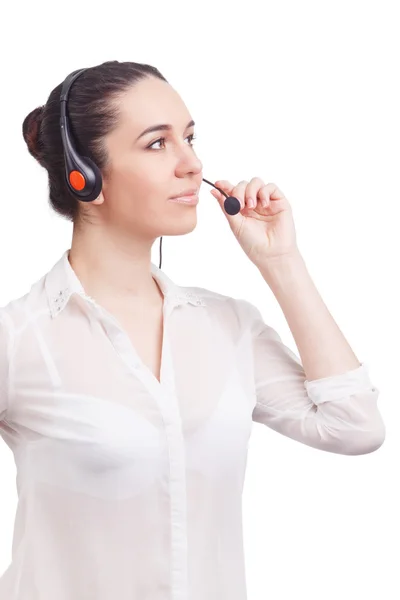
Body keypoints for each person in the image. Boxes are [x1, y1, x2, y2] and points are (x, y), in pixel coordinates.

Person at [0, 60, 385, 600]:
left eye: (190, 138)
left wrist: (282, 262)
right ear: (84, 176)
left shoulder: (228, 326)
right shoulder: (19, 339)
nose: (192, 163)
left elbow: (354, 427)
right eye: (157, 144)